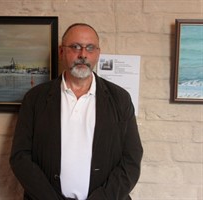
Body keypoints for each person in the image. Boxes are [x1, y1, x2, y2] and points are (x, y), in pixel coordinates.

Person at [9, 23, 143, 200]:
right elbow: (20, 157)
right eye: (75, 47)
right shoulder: (35, 98)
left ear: (98, 53)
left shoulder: (120, 99)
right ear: (61, 51)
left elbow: (131, 160)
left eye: (90, 48)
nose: (83, 55)